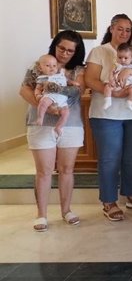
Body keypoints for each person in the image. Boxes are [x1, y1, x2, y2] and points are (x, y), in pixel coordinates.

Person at [85, 14, 132, 221]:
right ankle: (109, 200)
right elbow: (90, 79)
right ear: (112, 29)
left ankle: (131, 195)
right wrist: (114, 93)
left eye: (128, 30)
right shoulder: (99, 51)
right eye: (120, 29)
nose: (124, 33)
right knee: (109, 158)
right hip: (106, 114)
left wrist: (130, 70)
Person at [19, 31, 86, 232]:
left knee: (67, 169)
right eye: (61, 48)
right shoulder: (39, 65)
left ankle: (66, 210)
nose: (65, 53)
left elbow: (77, 92)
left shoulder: (77, 70)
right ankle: (42, 214)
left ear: (76, 52)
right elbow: (24, 90)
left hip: (70, 123)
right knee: (44, 171)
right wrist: (47, 107)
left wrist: (58, 96)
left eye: (70, 50)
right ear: (54, 46)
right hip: (40, 124)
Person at [32, 54, 71, 136]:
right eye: (48, 65)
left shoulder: (61, 75)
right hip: (50, 96)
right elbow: (38, 89)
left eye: (54, 65)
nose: (52, 68)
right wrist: (37, 95)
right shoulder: (43, 77)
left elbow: (68, 82)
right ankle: (40, 118)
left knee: (66, 113)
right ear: (40, 68)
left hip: (62, 99)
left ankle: (59, 127)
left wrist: (74, 83)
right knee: (43, 102)